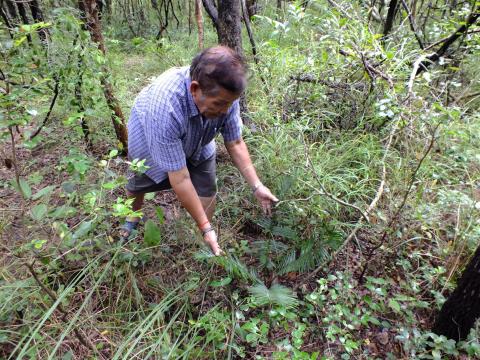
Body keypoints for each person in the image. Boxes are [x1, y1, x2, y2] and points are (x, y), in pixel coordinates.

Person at [122, 46, 278, 255]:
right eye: (220, 104)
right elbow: (180, 178)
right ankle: (133, 216)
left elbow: (235, 142)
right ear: (195, 89)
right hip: (149, 139)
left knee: (206, 187)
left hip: (200, 140)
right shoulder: (165, 107)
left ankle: (199, 237)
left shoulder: (225, 94)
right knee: (139, 181)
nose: (225, 110)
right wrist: (208, 228)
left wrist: (257, 186)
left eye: (229, 103)